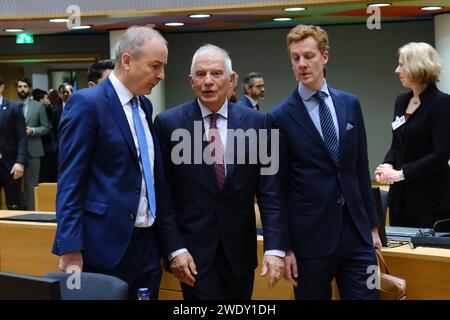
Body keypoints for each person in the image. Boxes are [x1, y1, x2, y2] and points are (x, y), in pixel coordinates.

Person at [154, 44, 287, 300]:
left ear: (232, 79)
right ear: (191, 81)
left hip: (240, 254)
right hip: (192, 257)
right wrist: (174, 248)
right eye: (201, 75)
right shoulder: (168, 124)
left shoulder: (260, 123)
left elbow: (271, 193)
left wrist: (275, 248)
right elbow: (164, 194)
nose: (208, 82)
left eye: (216, 73)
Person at [52, 26, 169, 300]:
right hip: (103, 246)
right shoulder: (86, 104)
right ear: (127, 61)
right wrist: (69, 247)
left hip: (147, 243)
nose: (161, 75)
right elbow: (70, 182)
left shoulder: (145, 107)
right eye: (155, 66)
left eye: (162, 67)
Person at [268, 25, 381, 300]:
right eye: (296, 58)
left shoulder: (350, 104)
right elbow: (274, 189)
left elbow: (359, 169)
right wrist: (284, 247)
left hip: (356, 236)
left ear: (325, 56)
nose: (302, 64)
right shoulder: (277, 117)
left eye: (309, 56)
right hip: (309, 243)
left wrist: (373, 229)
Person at [375, 42, 450, 229]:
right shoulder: (401, 101)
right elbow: (396, 146)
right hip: (400, 199)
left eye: (402, 65)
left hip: (431, 201)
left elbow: (440, 156)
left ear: (418, 66)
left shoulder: (442, 103)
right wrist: (387, 164)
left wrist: (401, 173)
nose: (396, 70)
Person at [16, 77, 50, 210]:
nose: (22, 89)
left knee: (31, 185)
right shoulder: (12, 105)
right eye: (19, 87)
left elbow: (46, 127)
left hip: (34, 150)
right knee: (15, 186)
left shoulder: (38, 106)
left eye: (25, 86)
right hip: (16, 151)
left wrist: (33, 130)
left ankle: (31, 214)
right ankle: (17, 213)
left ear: (29, 88)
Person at [0, 74, 26, 210]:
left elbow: (22, 137)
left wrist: (20, 161)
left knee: (14, 205)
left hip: (10, 165)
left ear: (2, 87)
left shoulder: (14, 107)